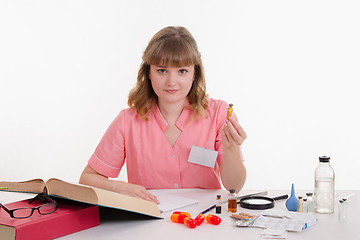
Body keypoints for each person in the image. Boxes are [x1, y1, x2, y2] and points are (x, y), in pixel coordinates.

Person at [79, 26, 247, 204]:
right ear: (148, 73)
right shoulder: (127, 121)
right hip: (148, 222)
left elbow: (233, 187)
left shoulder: (218, 113)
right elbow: (87, 178)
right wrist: (120, 188)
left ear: (194, 73)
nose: (171, 82)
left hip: (204, 221)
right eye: (161, 70)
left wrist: (232, 149)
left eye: (182, 71)